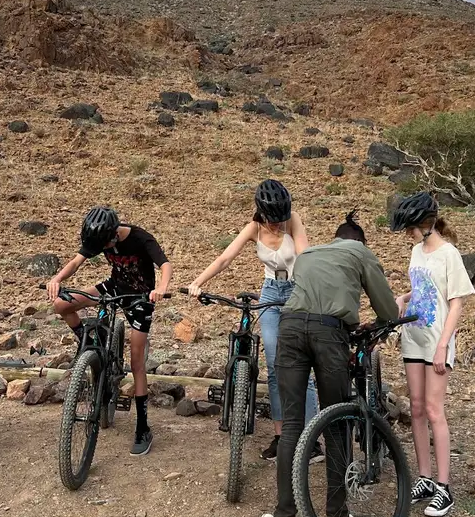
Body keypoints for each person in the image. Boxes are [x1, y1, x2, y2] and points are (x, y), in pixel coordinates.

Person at [259, 210, 398, 517]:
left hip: (290, 327)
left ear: (334, 238)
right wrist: (380, 322)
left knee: (292, 424)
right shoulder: (360, 252)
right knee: (336, 422)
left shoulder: (309, 254)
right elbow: (388, 309)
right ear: (360, 241)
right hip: (328, 334)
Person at [187, 179, 319, 460]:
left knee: (299, 363)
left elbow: (304, 257)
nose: (277, 225)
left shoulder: (293, 221)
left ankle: (311, 439)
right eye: (272, 220)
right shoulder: (253, 228)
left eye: (281, 219)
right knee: (273, 365)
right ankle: (281, 436)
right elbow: (225, 259)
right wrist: (197, 282)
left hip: (298, 290)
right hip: (270, 292)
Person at [46, 207, 172, 457]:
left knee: (137, 362)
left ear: (114, 234)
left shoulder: (139, 237)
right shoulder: (97, 237)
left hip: (140, 297)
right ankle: (87, 343)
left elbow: (165, 264)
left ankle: (142, 427)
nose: (100, 249)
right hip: (113, 287)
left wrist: (161, 288)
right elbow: (76, 261)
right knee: (61, 304)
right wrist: (57, 279)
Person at [390, 192, 474, 517]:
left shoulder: (449, 254)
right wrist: (404, 296)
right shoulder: (416, 252)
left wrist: (444, 344)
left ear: (426, 224)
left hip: (437, 340)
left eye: (411, 228)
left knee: (435, 410)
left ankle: (444, 486)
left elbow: (456, 301)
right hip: (413, 337)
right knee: (416, 409)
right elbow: (424, 288)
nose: (408, 234)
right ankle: (424, 477)